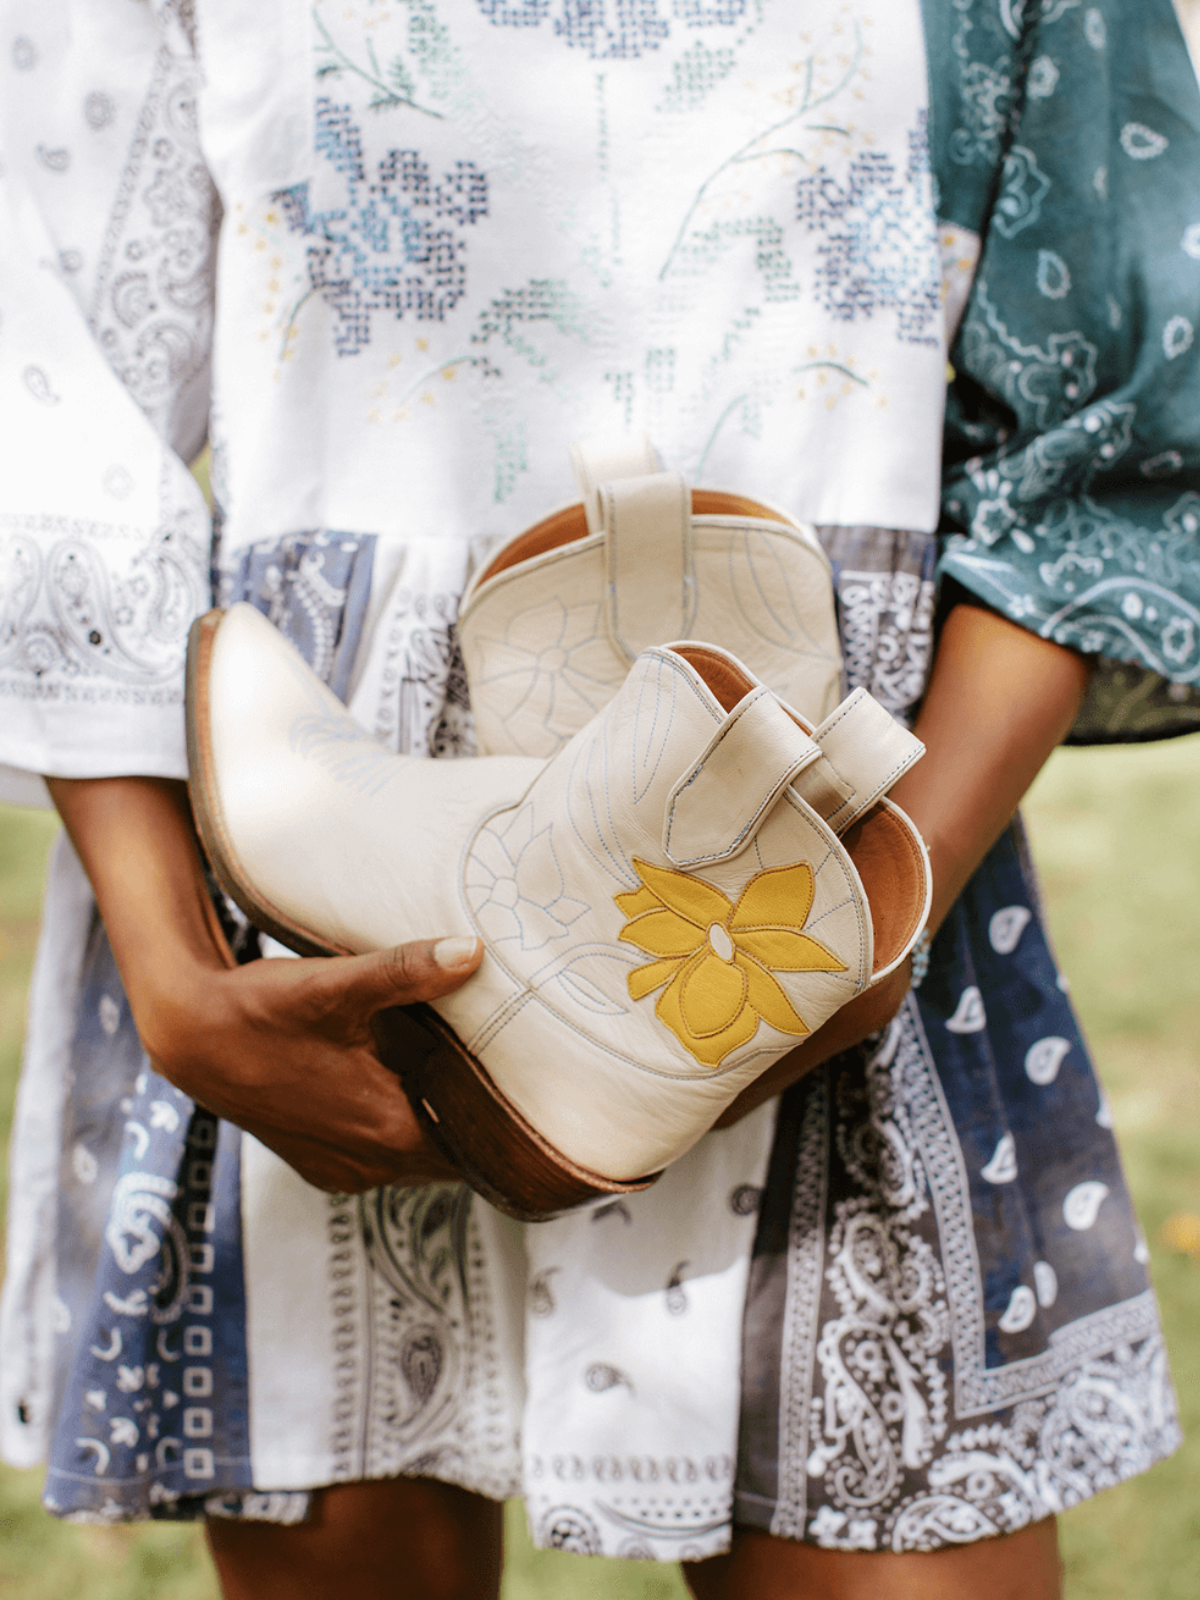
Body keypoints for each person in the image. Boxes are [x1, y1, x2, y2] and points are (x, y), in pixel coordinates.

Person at [1, 1, 1197, 1596]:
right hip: (321, 935)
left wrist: (864, 915)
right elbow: (49, 366)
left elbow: (1115, 415)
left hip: (813, 866)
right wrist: (174, 975)